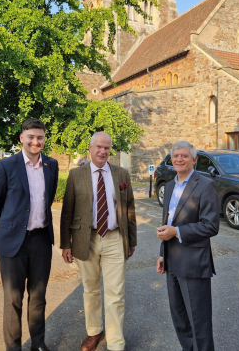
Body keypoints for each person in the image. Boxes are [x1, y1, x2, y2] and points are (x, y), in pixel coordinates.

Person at [60, 132, 136, 351]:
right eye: (99, 147)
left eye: (107, 148)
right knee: (90, 289)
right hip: (86, 239)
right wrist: (66, 243)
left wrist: (131, 240)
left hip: (114, 238)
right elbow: (67, 212)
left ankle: (115, 343)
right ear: (90, 148)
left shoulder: (121, 174)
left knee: (116, 293)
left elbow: (129, 208)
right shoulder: (76, 175)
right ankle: (94, 332)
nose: (103, 151)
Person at [0, 118, 59, 351]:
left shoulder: (52, 165)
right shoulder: (7, 166)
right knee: (13, 300)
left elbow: (48, 198)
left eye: (40, 137)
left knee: (38, 297)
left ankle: (38, 344)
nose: (35, 141)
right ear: (22, 138)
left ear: (44, 139)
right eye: (31, 137)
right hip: (12, 244)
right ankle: (14, 348)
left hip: (41, 241)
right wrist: (6, 228)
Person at [156, 141, 219, 351]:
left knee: (199, 321)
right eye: (176, 156)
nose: (179, 159)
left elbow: (210, 226)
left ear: (194, 160)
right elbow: (168, 222)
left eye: (184, 156)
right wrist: (162, 254)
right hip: (172, 260)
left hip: (193, 262)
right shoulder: (171, 185)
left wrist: (177, 232)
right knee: (180, 317)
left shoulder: (205, 185)